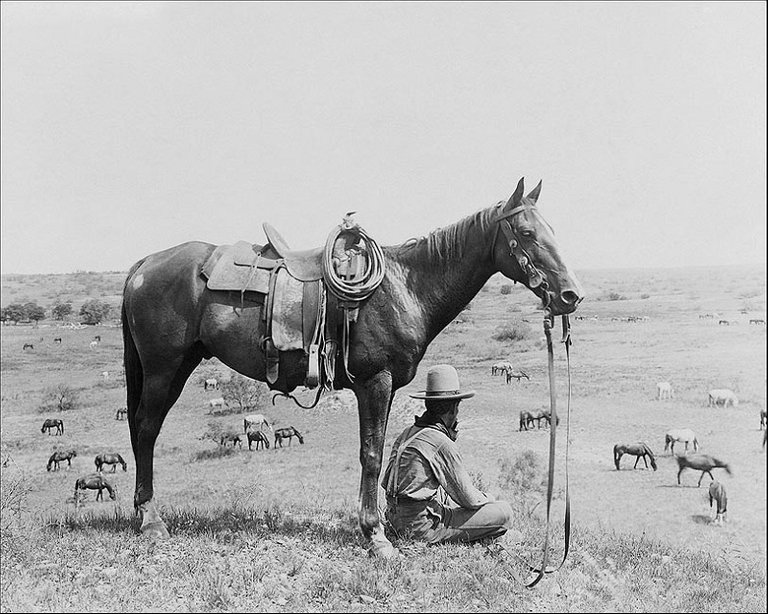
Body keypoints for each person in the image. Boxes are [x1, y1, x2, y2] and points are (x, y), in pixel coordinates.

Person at [381, 364, 513, 545]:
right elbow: (468, 499)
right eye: (456, 409)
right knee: (504, 512)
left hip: (394, 520)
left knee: (453, 509)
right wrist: (489, 498)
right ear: (453, 409)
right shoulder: (440, 441)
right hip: (421, 527)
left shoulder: (407, 433)